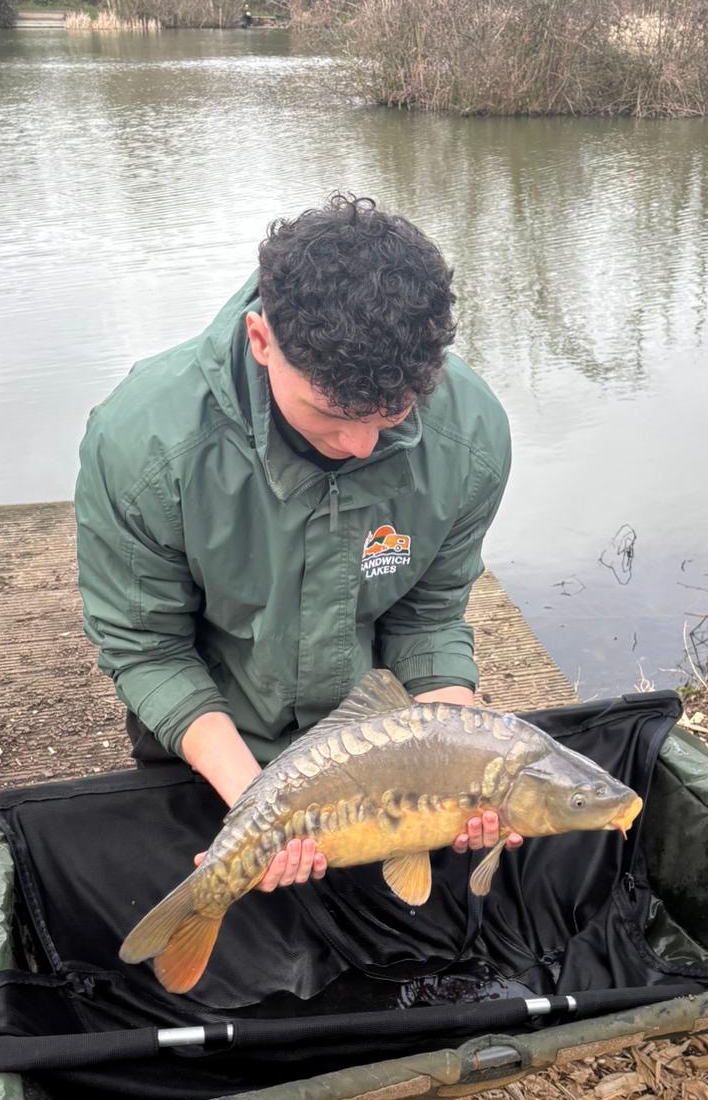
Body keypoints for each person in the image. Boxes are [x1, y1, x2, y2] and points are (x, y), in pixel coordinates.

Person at [75, 192, 519, 896]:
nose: (361, 446)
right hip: (215, 745)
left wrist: (462, 757)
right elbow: (147, 648)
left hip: (380, 761)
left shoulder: (473, 437)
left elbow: (429, 618)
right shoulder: (142, 443)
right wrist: (259, 806)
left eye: (393, 413)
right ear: (260, 340)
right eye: (331, 414)